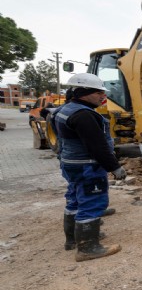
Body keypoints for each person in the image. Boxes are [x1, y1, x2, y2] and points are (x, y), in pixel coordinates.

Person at [54, 73, 126, 262]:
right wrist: (114, 167)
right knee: (92, 203)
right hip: (88, 168)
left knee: (75, 199)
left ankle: (72, 240)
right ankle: (88, 247)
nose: (102, 97)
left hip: (71, 164)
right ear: (84, 93)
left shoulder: (65, 109)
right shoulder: (84, 115)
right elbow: (97, 146)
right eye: (99, 93)